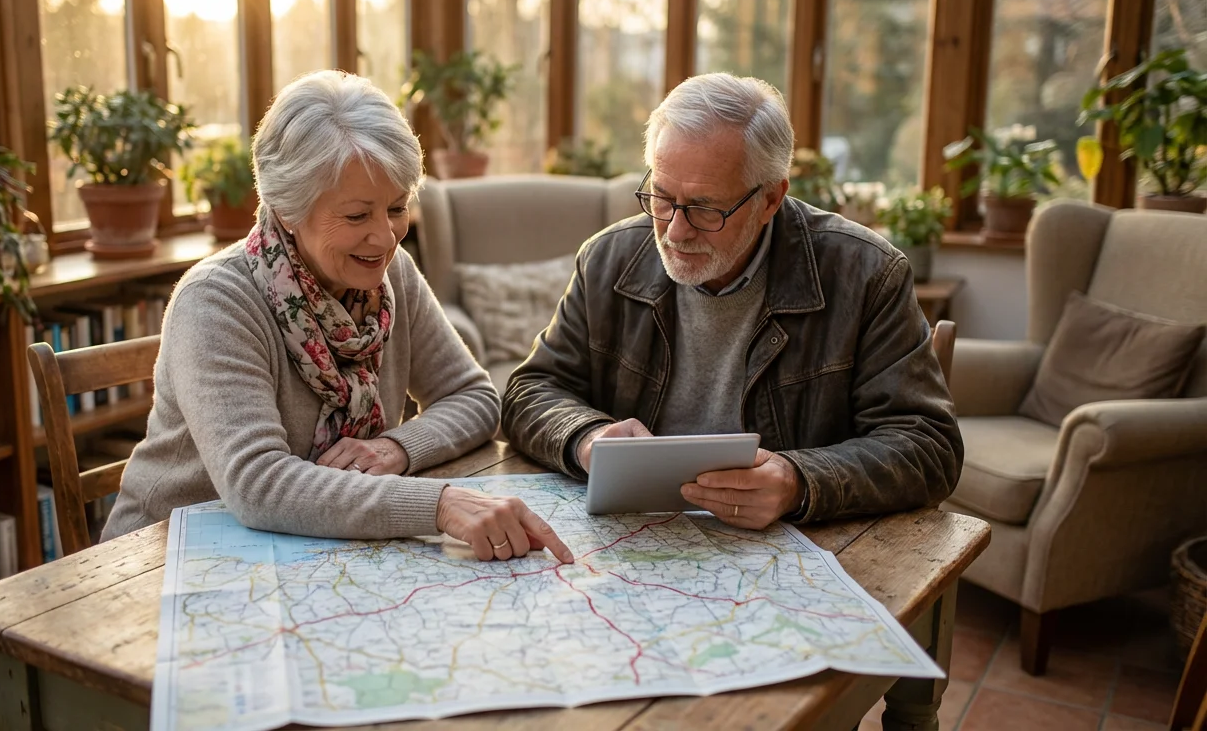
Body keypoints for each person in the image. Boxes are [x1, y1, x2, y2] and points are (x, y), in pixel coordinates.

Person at [104, 71, 573, 564]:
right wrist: (437, 504)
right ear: (288, 208)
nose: (386, 237)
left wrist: (396, 447)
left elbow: (474, 397)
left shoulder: (394, 275)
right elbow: (259, 483)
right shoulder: (215, 301)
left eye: (396, 208)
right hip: (171, 557)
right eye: (356, 216)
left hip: (311, 550)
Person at [502, 73, 962, 529]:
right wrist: (589, 437)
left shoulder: (867, 274)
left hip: (797, 550)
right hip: (634, 537)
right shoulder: (607, 259)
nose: (676, 231)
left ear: (770, 200)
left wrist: (799, 480)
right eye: (662, 197)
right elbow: (529, 392)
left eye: (705, 208)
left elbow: (928, 445)